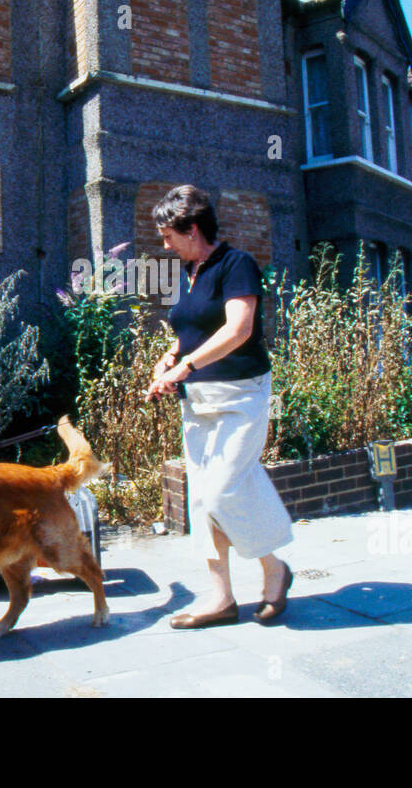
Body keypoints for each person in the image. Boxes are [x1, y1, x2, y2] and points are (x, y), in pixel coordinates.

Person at [144, 185, 294, 628]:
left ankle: (274, 569)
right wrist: (169, 358)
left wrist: (186, 364)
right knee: (202, 501)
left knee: (223, 490)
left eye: (169, 235)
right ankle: (221, 598)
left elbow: (238, 329)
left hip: (240, 396)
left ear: (192, 229)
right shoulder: (190, 272)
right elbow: (190, 330)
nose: (165, 244)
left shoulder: (237, 264)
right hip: (198, 402)